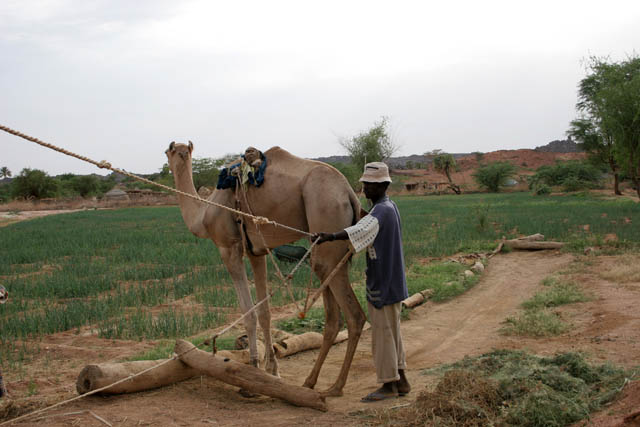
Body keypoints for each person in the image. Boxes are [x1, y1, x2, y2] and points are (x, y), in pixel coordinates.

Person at [313, 162, 410, 402]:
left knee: (383, 335)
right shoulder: (389, 207)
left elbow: (360, 230)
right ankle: (403, 380)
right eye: (365, 184)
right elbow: (367, 225)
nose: (365, 189)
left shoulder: (381, 212)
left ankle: (389, 385)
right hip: (393, 280)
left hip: (384, 282)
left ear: (383, 185)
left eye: (370, 185)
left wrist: (330, 236)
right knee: (393, 333)